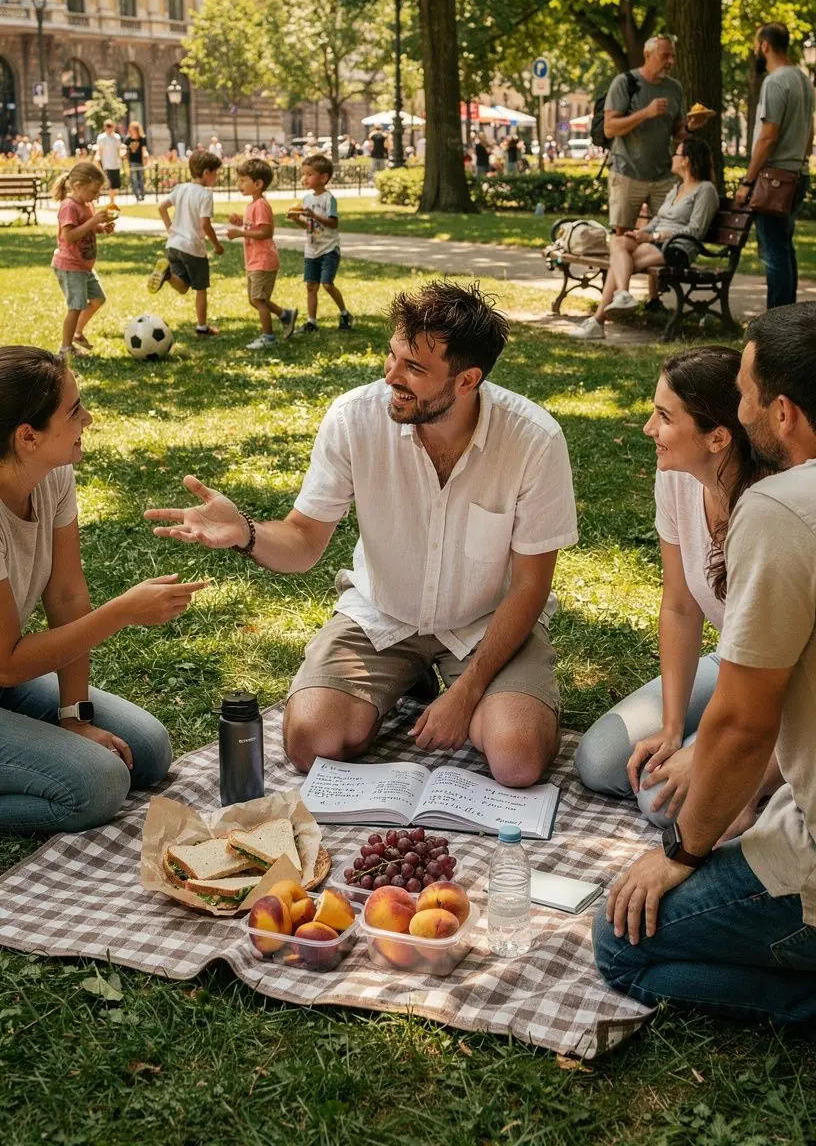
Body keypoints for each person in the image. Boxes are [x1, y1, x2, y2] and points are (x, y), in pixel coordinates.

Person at [145, 280, 579, 787]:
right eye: (393, 356)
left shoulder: (534, 439)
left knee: (517, 758)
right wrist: (246, 533)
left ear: (467, 381)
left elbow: (530, 585)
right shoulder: (355, 418)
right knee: (311, 740)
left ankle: (460, 688)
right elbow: (304, 541)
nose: (390, 375)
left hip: (488, 623)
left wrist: (467, 693)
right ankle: (408, 676)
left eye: (414, 368)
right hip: (383, 617)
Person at [593, 303, 816, 1028]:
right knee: (624, 767)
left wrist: (681, 853)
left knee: (620, 940)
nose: (740, 399)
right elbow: (685, 614)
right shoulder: (713, 493)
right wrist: (679, 735)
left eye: (747, 390)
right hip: (778, 739)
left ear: (778, 414)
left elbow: (752, 724)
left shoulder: (780, 508)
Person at [0, 347, 208, 835]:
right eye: (74, 412)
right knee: (99, 785)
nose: (88, 419)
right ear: (28, 436)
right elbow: (7, 660)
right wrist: (122, 611)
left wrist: (75, 717)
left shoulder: (52, 475)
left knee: (149, 752)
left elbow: (67, 598)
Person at [576, 346, 777, 831]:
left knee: (660, 802)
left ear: (718, 437)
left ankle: (774, 779)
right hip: (733, 662)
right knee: (599, 761)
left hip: (789, 687)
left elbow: (784, 678)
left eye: (664, 417)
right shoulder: (679, 481)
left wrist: (713, 752)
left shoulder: (774, 511)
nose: (648, 429)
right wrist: (670, 729)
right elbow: (681, 608)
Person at [570, 137, 720, 341]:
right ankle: (620, 295)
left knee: (620, 263)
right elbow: (659, 219)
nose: (672, 157)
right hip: (656, 242)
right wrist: (641, 234)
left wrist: (655, 235)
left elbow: (696, 229)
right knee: (618, 241)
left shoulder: (705, 190)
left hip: (678, 247)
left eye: (676, 153)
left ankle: (599, 319)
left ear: (687, 159)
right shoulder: (677, 188)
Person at [737, 23, 814, 310]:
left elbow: (768, 137)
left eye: (757, 45)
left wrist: (747, 181)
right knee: (784, 248)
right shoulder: (803, 79)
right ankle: (789, 318)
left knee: (774, 253)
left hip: (775, 179)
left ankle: (776, 322)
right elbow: (810, 133)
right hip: (797, 173)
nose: (757, 50)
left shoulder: (775, 82)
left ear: (765, 46)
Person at [604, 36, 693, 238]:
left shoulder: (675, 88)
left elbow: (679, 133)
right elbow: (609, 129)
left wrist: (691, 127)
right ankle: (621, 270)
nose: (671, 61)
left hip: (663, 175)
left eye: (673, 56)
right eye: (665, 56)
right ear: (647, 55)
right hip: (627, 171)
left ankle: (649, 268)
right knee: (622, 235)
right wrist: (646, 112)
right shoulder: (624, 83)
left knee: (667, 233)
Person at [148, 148, 224, 337]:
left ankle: (167, 276)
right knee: (200, 288)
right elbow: (205, 224)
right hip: (193, 248)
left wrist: (169, 229)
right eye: (216, 173)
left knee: (182, 286)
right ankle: (202, 327)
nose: (217, 177)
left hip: (174, 245)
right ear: (206, 173)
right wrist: (216, 245)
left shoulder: (181, 188)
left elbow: (161, 207)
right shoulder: (205, 195)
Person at [225, 157, 298, 348]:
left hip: (263, 260)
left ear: (258, 184)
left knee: (259, 299)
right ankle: (285, 315)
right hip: (254, 260)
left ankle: (268, 337)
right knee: (255, 299)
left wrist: (240, 232)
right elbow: (255, 227)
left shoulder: (261, 205)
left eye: (243, 181)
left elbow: (266, 232)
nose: (239, 184)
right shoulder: (252, 205)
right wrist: (240, 222)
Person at [50, 162, 116, 360]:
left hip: (84, 266)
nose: (96, 196)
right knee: (76, 306)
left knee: (98, 299)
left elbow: (87, 227)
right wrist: (94, 221)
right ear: (78, 186)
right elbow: (69, 236)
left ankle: (77, 333)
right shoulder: (68, 206)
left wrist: (101, 228)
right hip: (70, 266)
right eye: (94, 191)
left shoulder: (87, 204)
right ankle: (65, 348)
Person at [286, 154, 353, 334]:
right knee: (311, 286)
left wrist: (313, 215)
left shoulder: (328, 199)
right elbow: (308, 225)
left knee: (327, 284)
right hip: (312, 249)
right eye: (303, 174)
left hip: (329, 248)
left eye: (309, 174)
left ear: (323, 177)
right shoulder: (307, 199)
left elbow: (333, 223)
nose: (304, 178)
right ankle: (311, 321)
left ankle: (345, 313)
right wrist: (296, 219)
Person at [94, 120, 124, 205]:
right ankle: (111, 202)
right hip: (106, 164)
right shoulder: (101, 137)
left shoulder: (117, 137)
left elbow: (118, 150)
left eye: (110, 126)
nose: (109, 128)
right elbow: (100, 151)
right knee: (108, 184)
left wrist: (121, 160)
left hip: (116, 164)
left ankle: (112, 201)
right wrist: (99, 162)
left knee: (115, 185)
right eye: (107, 126)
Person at [123, 121, 149, 202]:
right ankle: (137, 195)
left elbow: (144, 149)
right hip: (132, 161)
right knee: (134, 179)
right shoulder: (128, 139)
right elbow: (124, 149)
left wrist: (145, 156)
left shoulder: (142, 138)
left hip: (140, 160)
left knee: (141, 178)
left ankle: (142, 194)